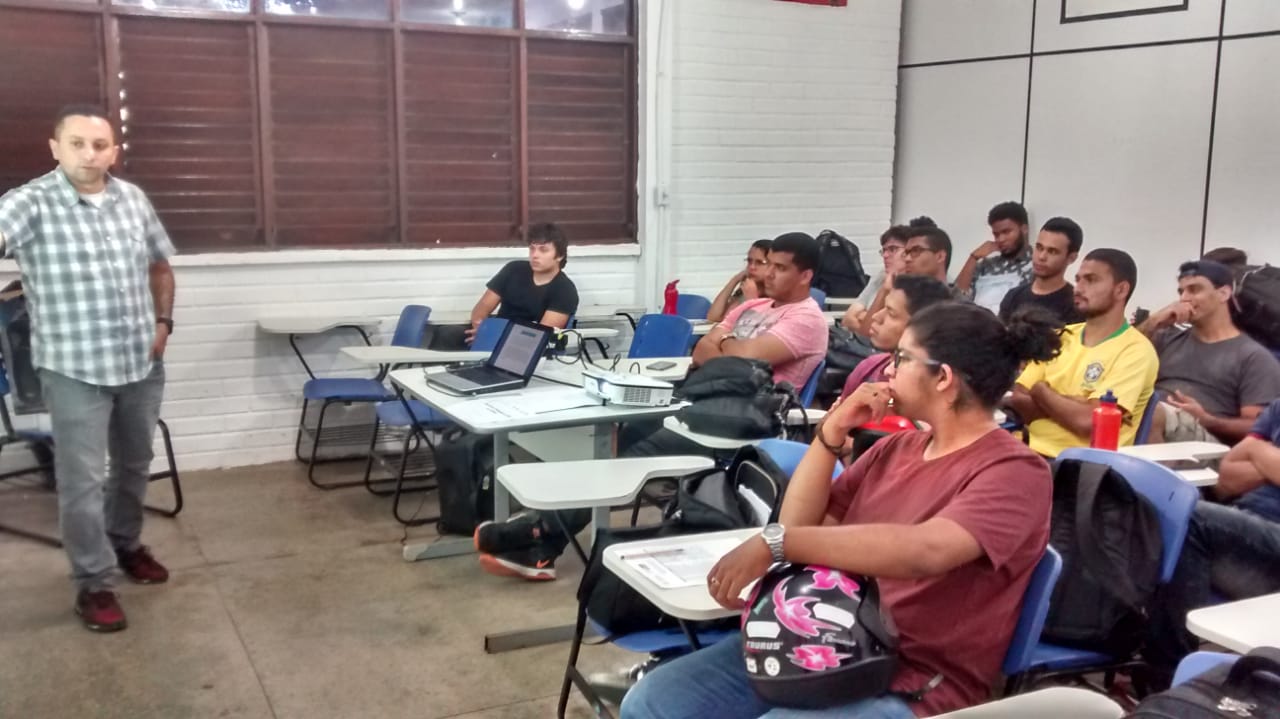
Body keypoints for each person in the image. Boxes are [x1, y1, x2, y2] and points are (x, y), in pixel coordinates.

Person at [620, 302, 1063, 718]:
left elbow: (925, 551)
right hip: (817, 640)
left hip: (908, 678)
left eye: (902, 358)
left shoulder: (1015, 471)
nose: (888, 369)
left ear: (943, 377)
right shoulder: (896, 449)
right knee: (654, 703)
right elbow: (797, 526)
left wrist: (780, 542)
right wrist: (829, 435)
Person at [474, 232, 830, 581]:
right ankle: (546, 538)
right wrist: (727, 347)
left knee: (634, 458)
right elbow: (701, 350)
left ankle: (541, 535)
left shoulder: (807, 319)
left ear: (805, 276)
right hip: (701, 401)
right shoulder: (753, 306)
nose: (767, 274)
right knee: (620, 439)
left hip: (742, 423)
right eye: (768, 266)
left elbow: (744, 354)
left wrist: (725, 342)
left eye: (780, 268)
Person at [0, 105, 176, 633]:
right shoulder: (27, 204)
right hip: (74, 369)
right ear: (55, 147)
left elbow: (160, 264)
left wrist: (163, 322)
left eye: (99, 145)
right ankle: (93, 583)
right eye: (76, 143)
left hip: (139, 363)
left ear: (113, 151)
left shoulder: (132, 200)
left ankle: (124, 544)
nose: (89, 153)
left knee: (133, 465)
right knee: (81, 481)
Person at [1145, 397, 1280, 683]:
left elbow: (1242, 459)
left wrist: (1255, 451)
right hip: (1241, 526)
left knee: (1189, 514)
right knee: (1147, 502)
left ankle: (1169, 672)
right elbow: (1226, 478)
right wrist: (1268, 464)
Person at [1006, 249, 1158, 458]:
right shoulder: (1060, 336)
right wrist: (1075, 405)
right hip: (1029, 451)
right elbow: (1019, 399)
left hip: (1082, 468)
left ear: (1121, 290)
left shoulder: (1136, 350)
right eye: (1078, 280)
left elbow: (1088, 422)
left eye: (1091, 280)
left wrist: (1042, 391)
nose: (1078, 288)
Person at [1137, 260, 1280, 444]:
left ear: (1224, 293)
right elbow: (1122, 355)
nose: (1184, 298)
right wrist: (1154, 321)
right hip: (1151, 418)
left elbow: (1260, 427)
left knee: (1154, 413)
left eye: (1194, 289)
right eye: (1181, 292)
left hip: (1206, 443)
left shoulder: (1253, 356)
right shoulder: (1167, 338)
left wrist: (1207, 420)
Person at [839, 274, 953, 396]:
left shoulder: (925, 387)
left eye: (891, 313)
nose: (876, 317)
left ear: (920, 324)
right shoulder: (869, 366)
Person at [466, 222, 578, 342]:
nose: (535, 255)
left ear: (559, 255)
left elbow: (541, 335)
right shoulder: (513, 269)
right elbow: (483, 306)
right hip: (493, 336)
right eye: (532, 249)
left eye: (543, 250)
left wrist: (496, 337)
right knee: (448, 335)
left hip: (525, 347)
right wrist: (481, 329)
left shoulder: (565, 290)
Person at [857, 222, 956, 336]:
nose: (908, 258)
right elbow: (865, 335)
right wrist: (885, 290)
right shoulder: (905, 293)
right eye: (907, 252)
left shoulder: (955, 305)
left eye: (916, 251)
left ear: (940, 256)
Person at [998, 217, 1085, 325]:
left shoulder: (1075, 304)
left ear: (1071, 258)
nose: (1042, 256)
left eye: (1052, 251)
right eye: (1039, 247)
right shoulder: (1013, 296)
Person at [955, 201, 1034, 313]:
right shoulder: (985, 265)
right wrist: (973, 258)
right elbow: (955, 301)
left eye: (1006, 232)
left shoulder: (1037, 264)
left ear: (1024, 229)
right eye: (996, 234)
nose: (1000, 239)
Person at [839, 224, 910, 332]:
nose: (885, 255)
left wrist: (864, 316)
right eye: (884, 250)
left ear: (909, 252)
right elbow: (848, 319)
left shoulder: (913, 287)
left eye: (892, 249)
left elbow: (872, 332)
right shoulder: (881, 275)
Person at [707, 239, 772, 323]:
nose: (752, 267)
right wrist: (735, 280)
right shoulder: (746, 288)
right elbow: (713, 317)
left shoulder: (776, 297)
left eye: (759, 262)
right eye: (749, 261)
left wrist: (752, 301)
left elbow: (757, 328)